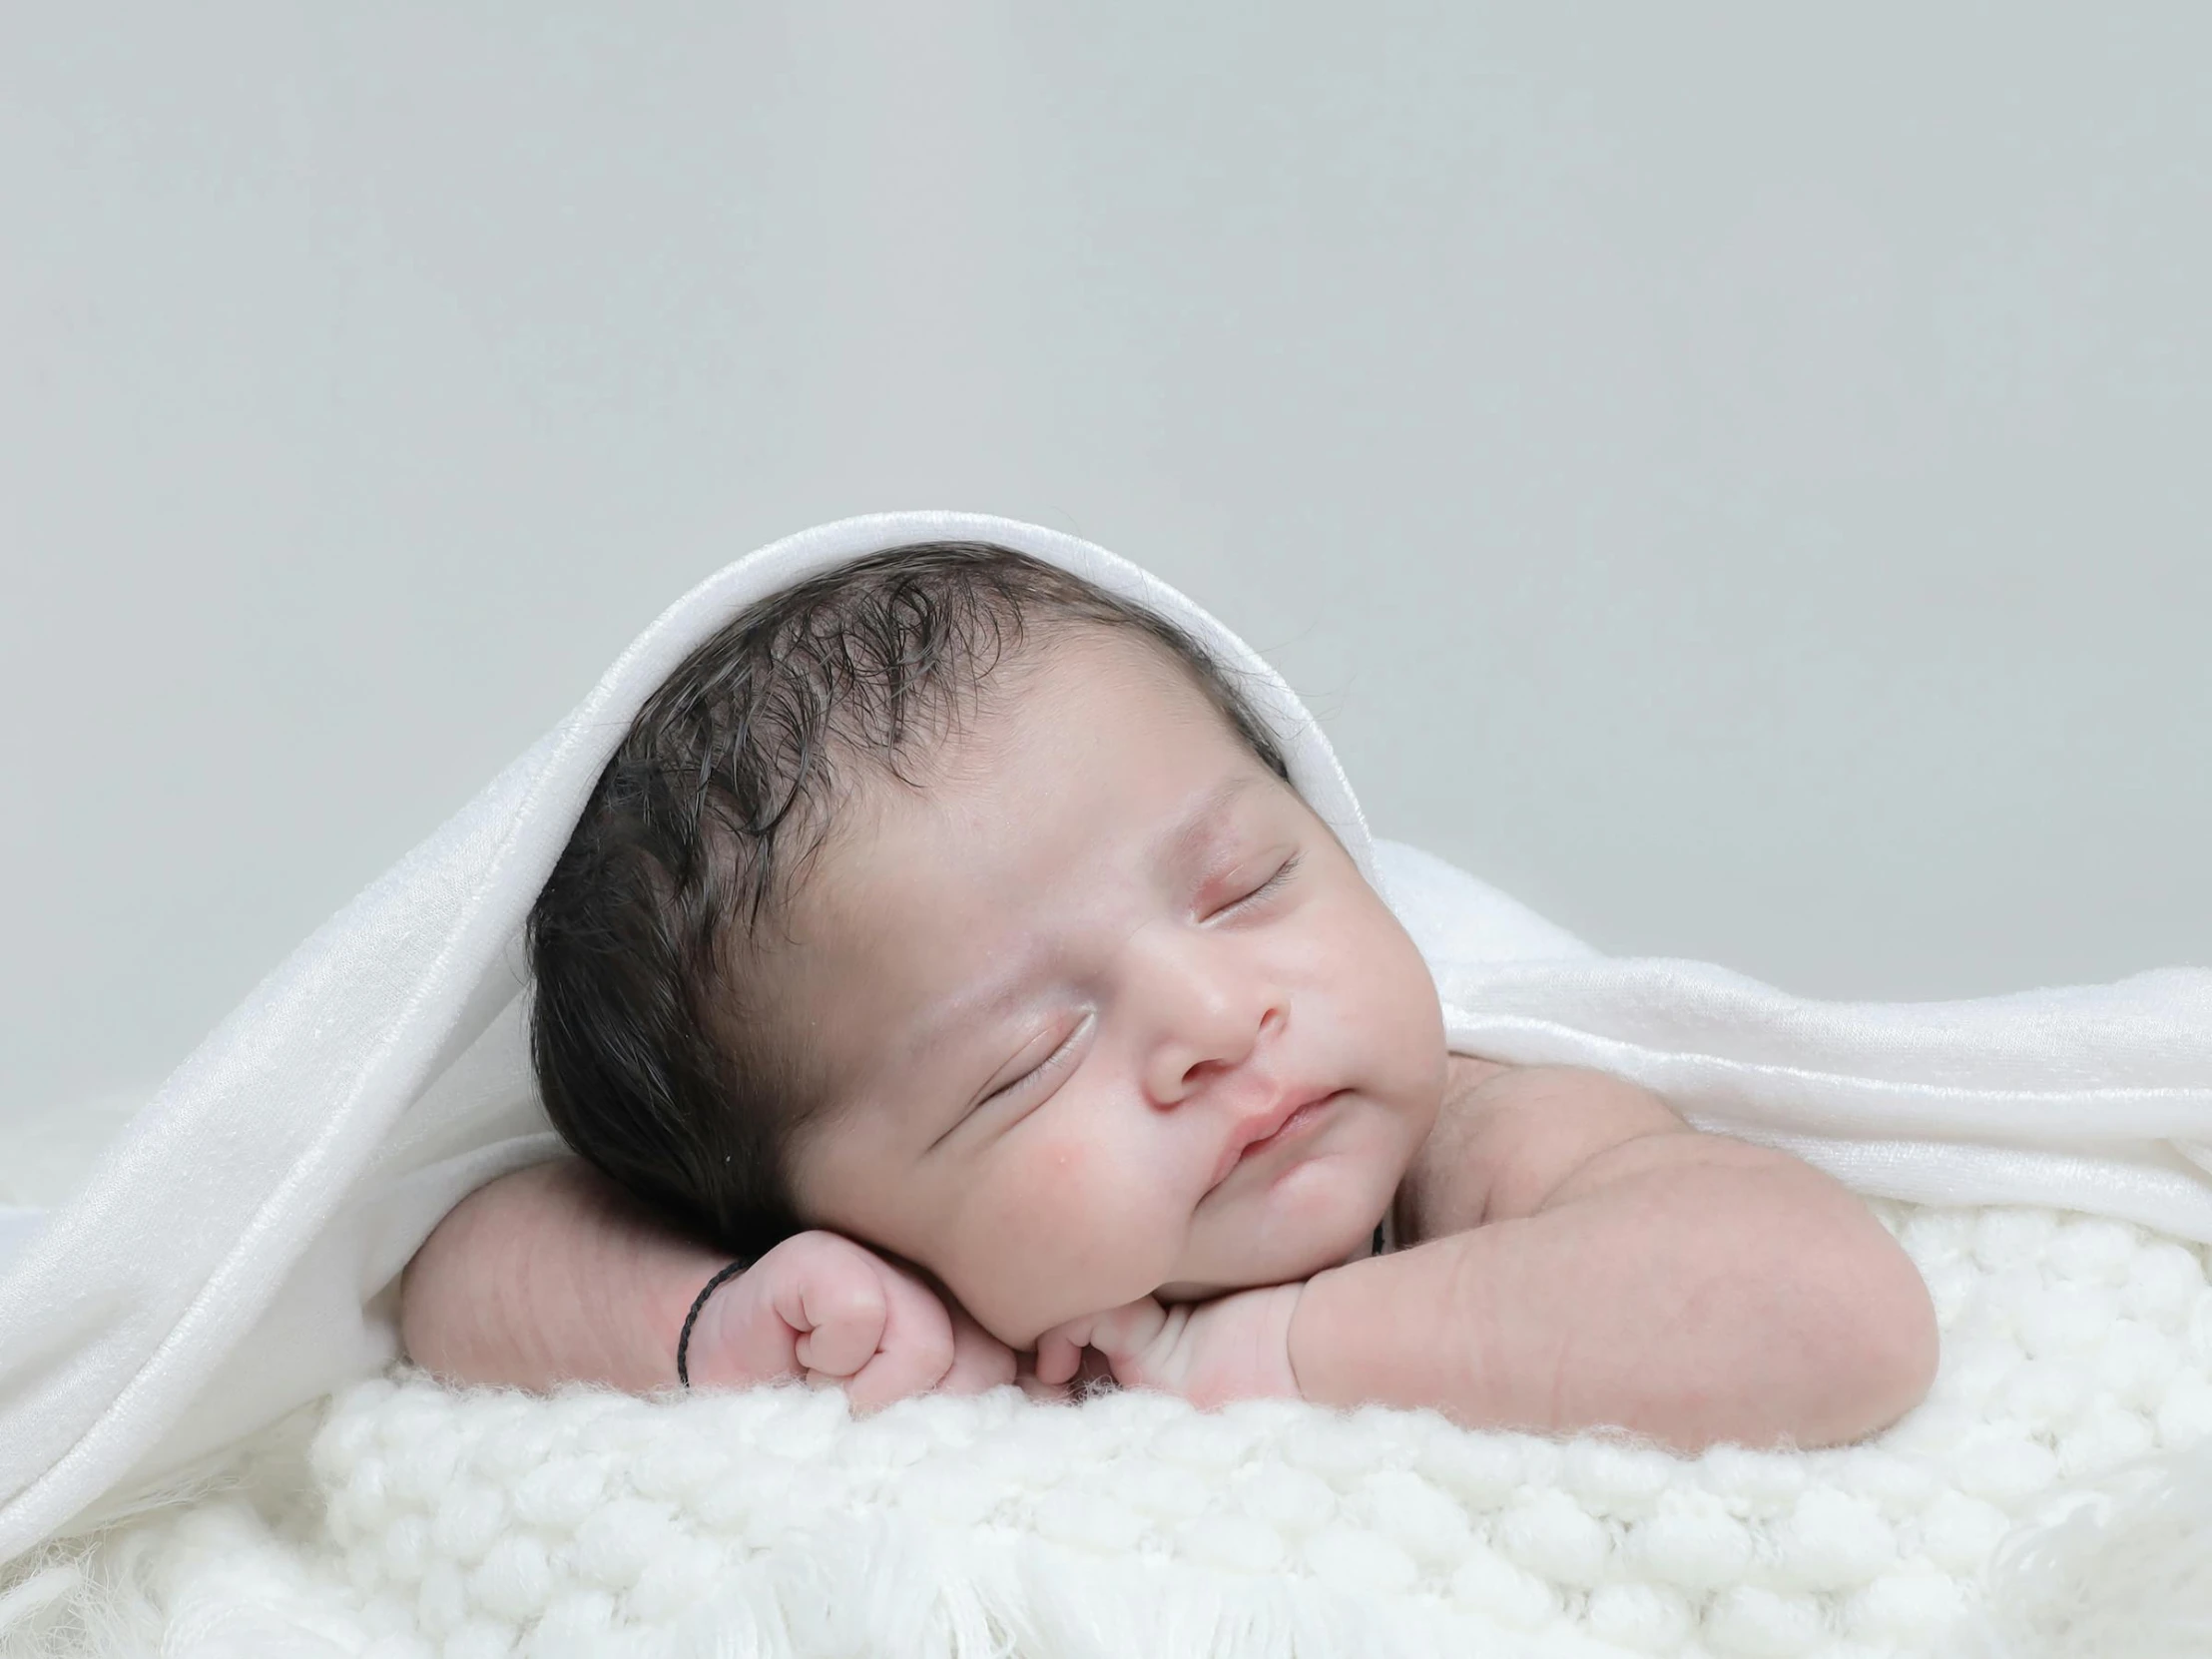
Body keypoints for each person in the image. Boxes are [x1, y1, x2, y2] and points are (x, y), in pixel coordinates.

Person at [398, 542, 1936, 1451]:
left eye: (1245, 887)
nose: (1211, 1017)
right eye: (1029, 1055)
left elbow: (1829, 1313)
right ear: (835, 1208)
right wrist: (720, 1322)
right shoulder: (875, 1275)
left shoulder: (1480, 1128)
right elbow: (455, 1262)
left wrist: (1270, 1352)